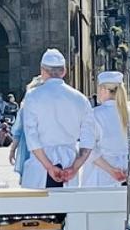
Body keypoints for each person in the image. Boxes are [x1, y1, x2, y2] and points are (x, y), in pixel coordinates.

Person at [18, 49, 94, 188]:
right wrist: (74, 168)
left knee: (39, 208)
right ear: (64, 71)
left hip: (40, 166)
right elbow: (88, 140)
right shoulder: (80, 99)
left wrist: (49, 167)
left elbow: (31, 137)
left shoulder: (33, 96)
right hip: (69, 166)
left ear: (42, 71)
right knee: (66, 208)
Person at [82, 71, 130, 187]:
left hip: (99, 179)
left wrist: (111, 170)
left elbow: (88, 150)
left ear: (103, 89)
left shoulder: (93, 115)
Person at [7, 76, 42, 182]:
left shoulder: (25, 107)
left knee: (28, 179)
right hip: (44, 145)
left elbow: (17, 131)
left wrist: (12, 150)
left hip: (28, 145)